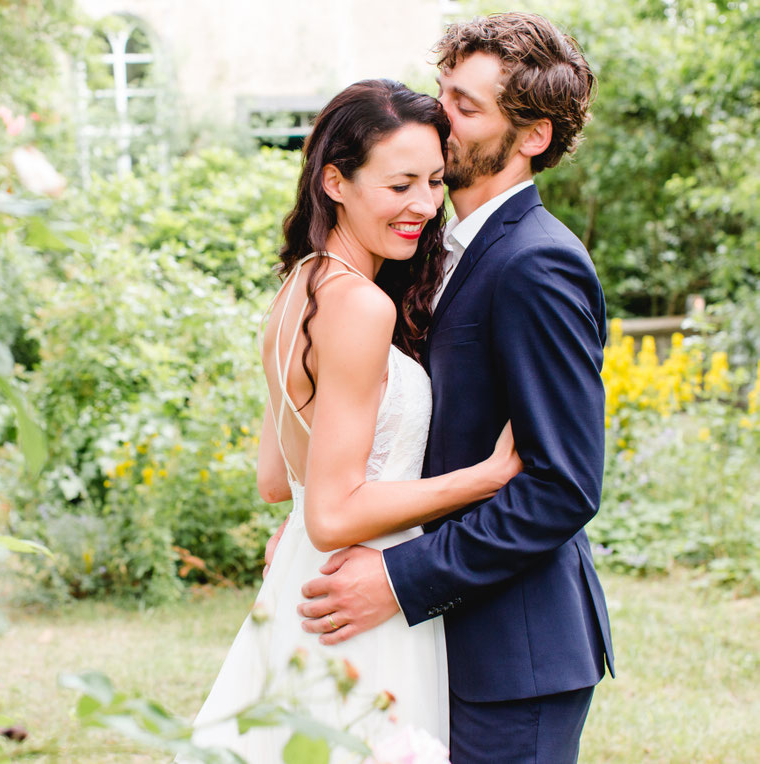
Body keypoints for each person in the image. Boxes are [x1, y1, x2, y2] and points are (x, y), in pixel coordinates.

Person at [296, 13, 615, 763]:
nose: (440, 116)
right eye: (443, 92)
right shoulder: (433, 250)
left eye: (467, 107)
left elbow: (563, 486)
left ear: (532, 136)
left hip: (516, 656)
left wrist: (402, 580)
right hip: (441, 645)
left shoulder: (537, 264)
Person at [184, 80, 522, 762]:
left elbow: (279, 480)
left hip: (306, 588)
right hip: (364, 596)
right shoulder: (361, 307)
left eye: (433, 181)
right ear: (334, 181)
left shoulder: (299, 289)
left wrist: (315, 510)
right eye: (399, 186)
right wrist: (484, 477)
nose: (425, 206)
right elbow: (332, 516)